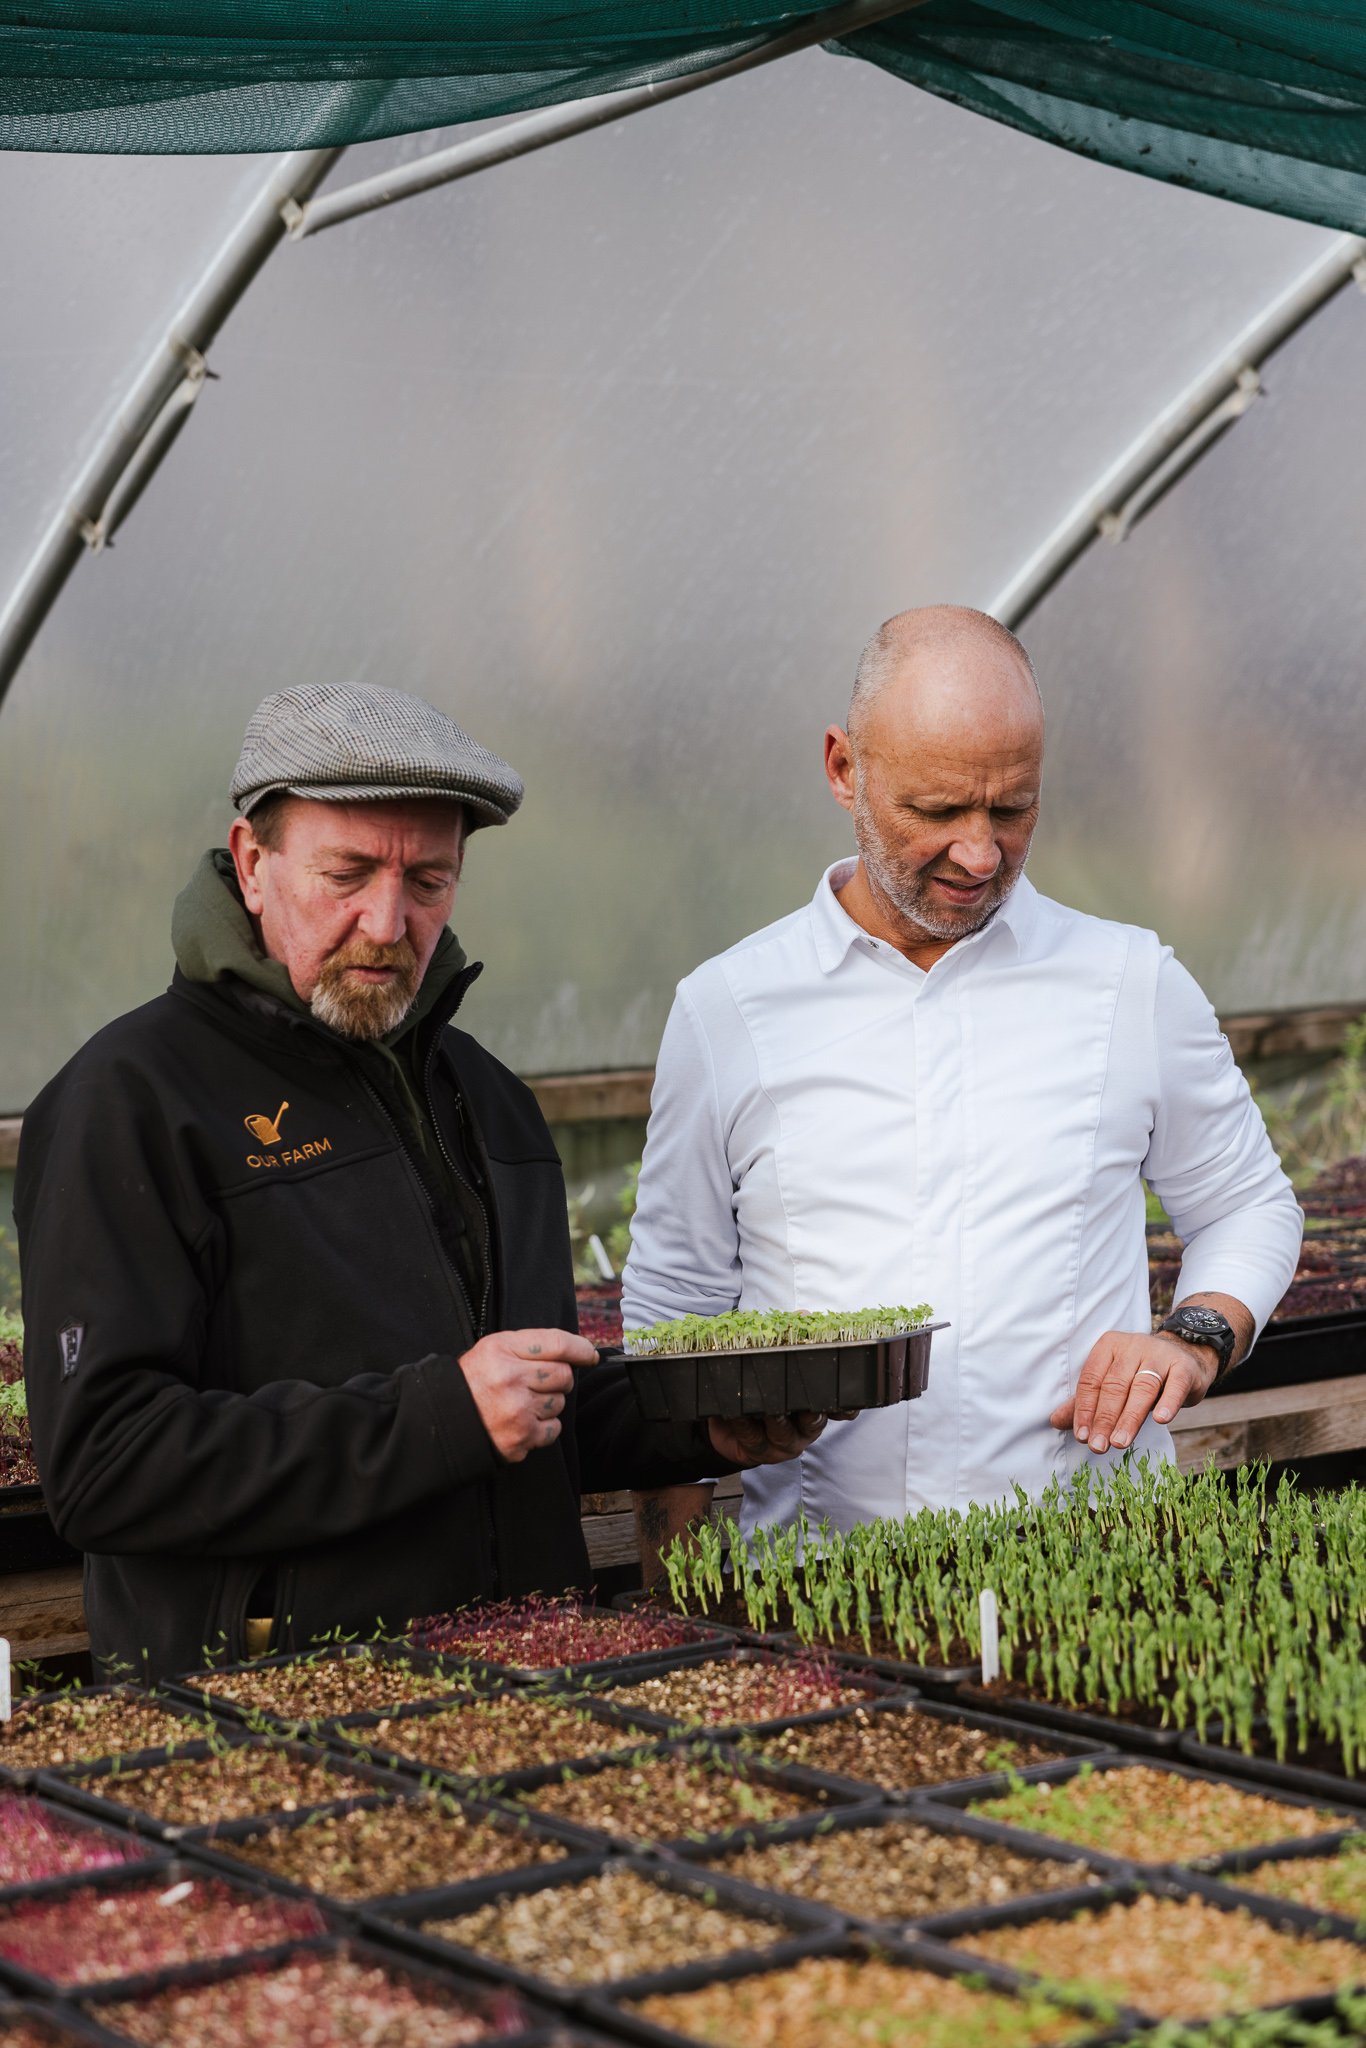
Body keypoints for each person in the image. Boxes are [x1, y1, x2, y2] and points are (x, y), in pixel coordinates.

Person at [16, 682, 828, 1678]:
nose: (387, 918)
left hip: (525, 1683)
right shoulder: (133, 1103)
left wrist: (705, 1421)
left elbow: (530, 1399)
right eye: (347, 872)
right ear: (251, 861)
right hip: (270, 1715)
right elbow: (105, 1464)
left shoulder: (486, 1101)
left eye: (428, 879)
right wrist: (437, 1415)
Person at [623, 607, 1303, 1537]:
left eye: (1013, 808)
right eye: (937, 811)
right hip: (823, 1584)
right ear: (843, 770)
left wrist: (1195, 1339)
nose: (980, 854)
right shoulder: (728, 1011)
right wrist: (679, 1583)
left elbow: (1246, 1205)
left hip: (1088, 1564)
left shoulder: (1130, 984)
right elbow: (676, 1311)